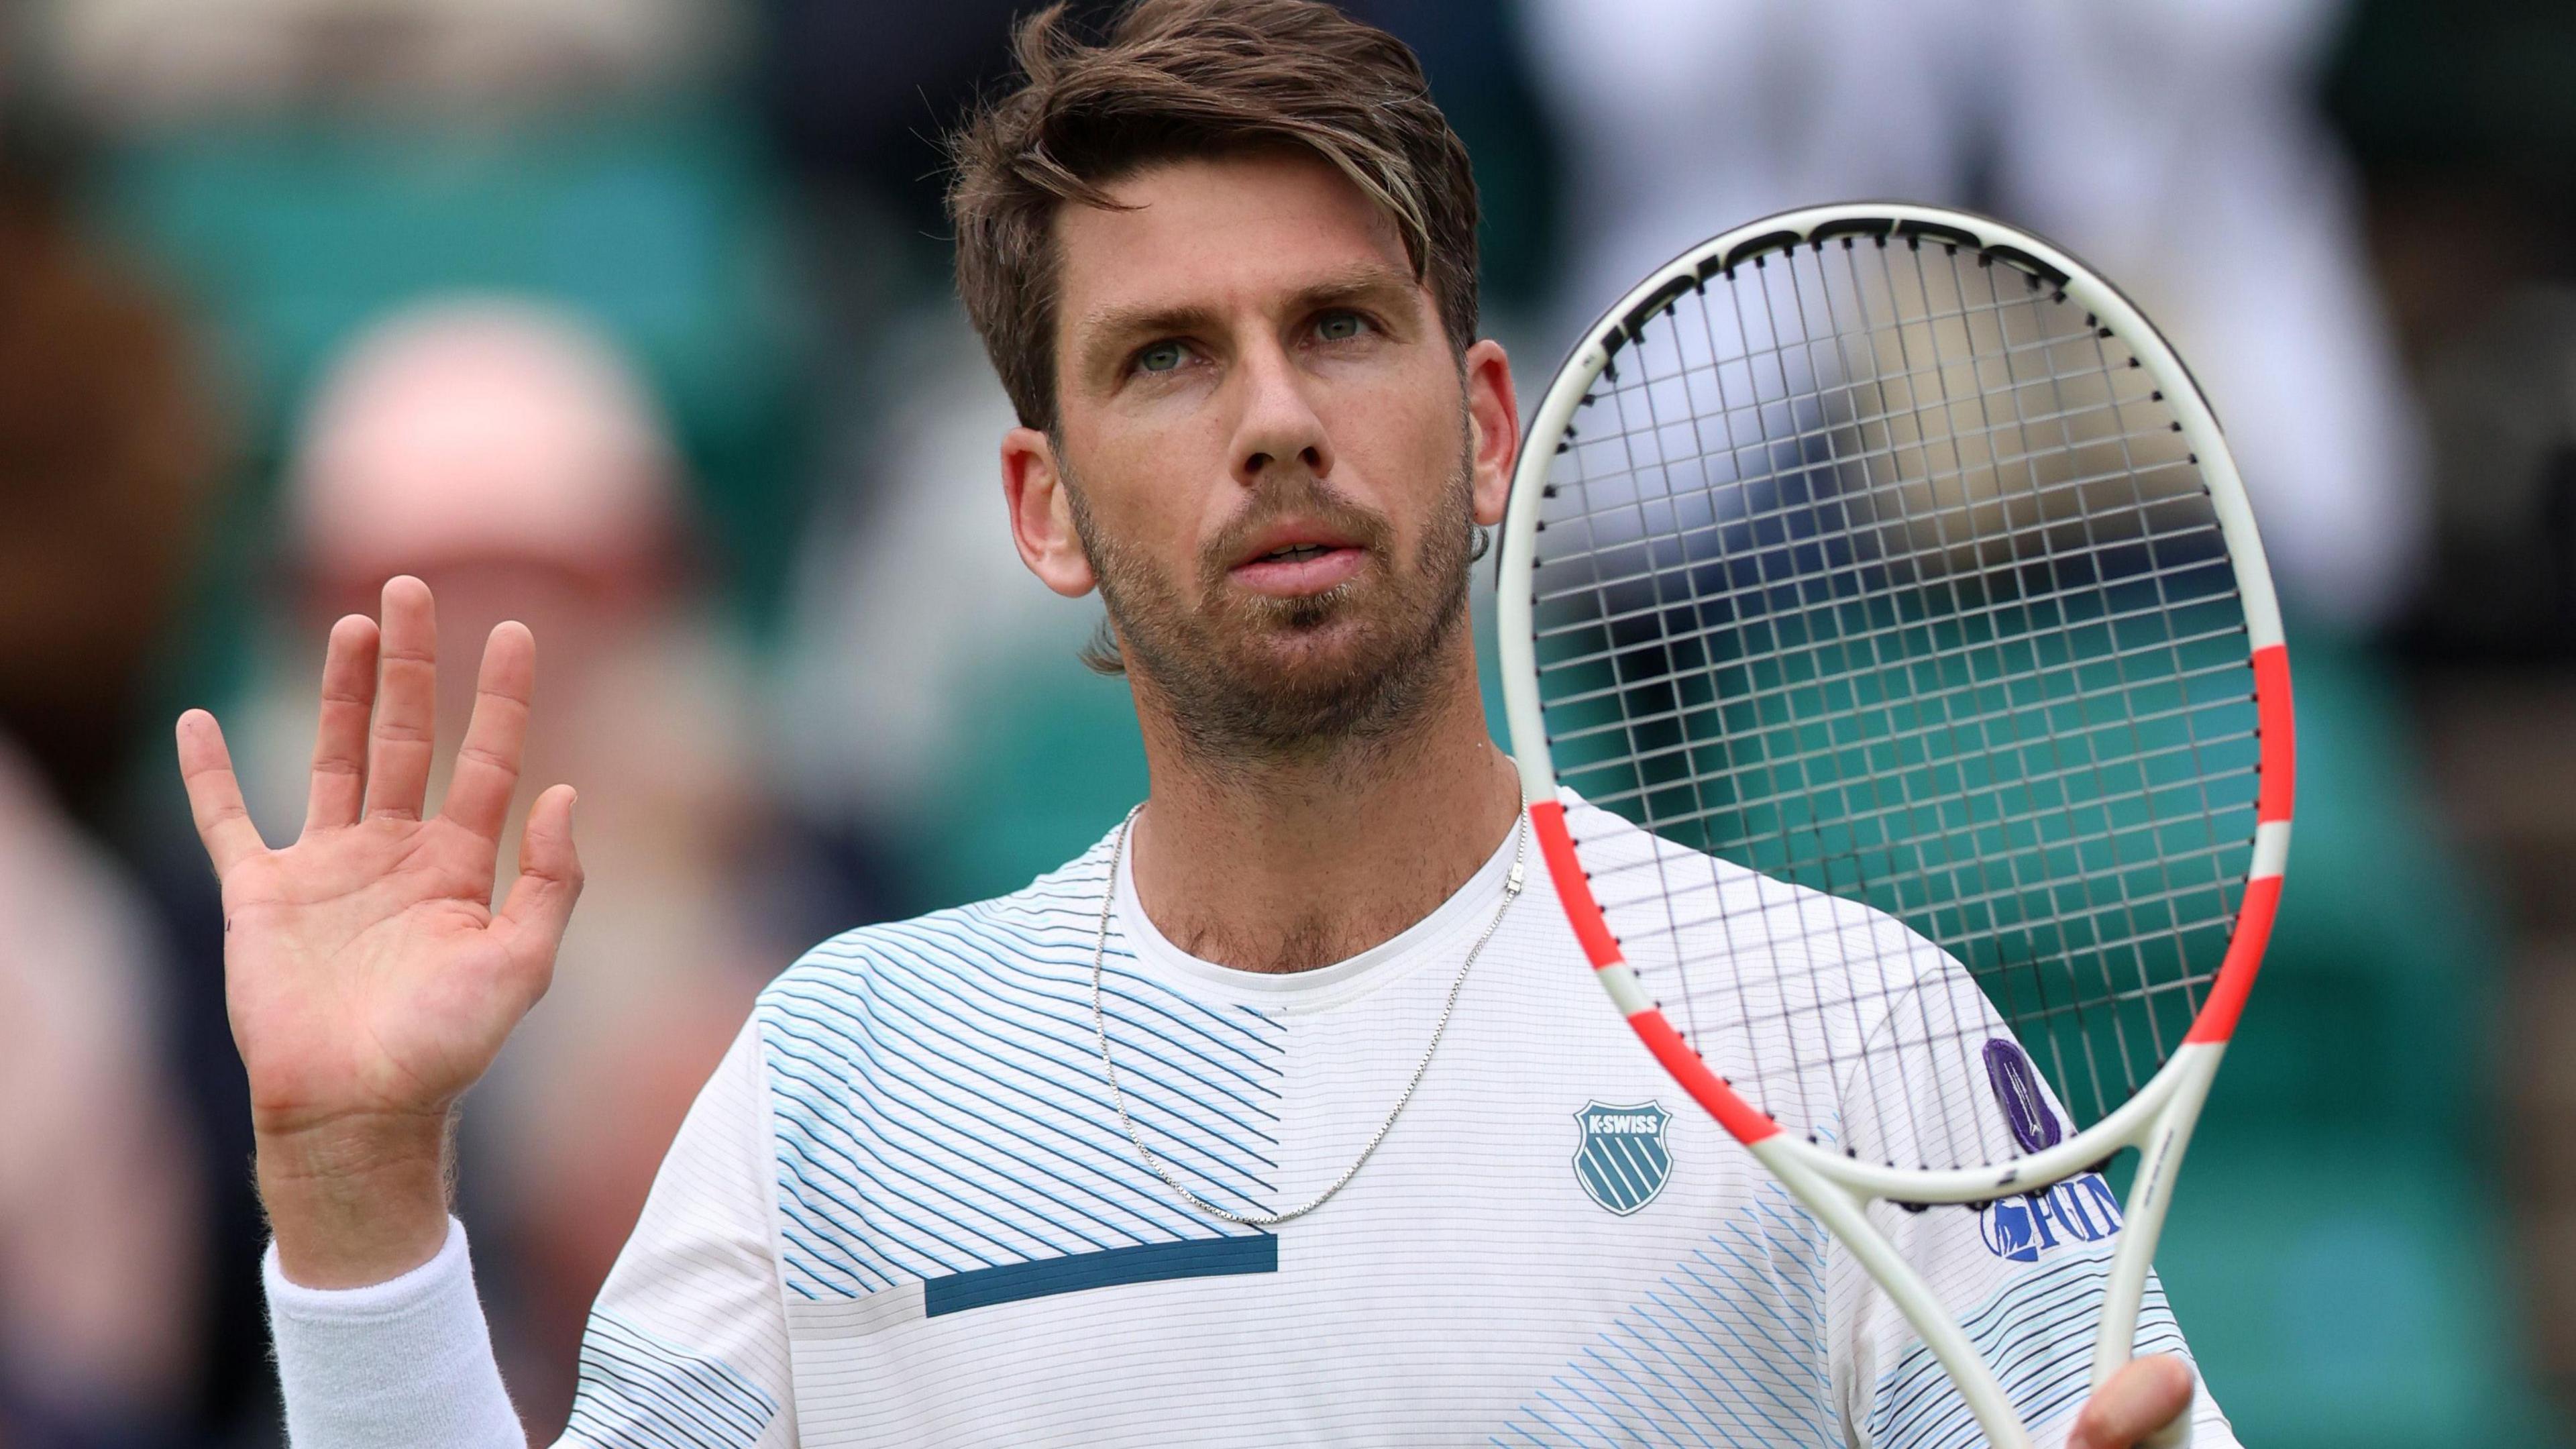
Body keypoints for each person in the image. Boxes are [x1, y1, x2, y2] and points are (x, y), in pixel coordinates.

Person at [174, 2, 2231, 1444]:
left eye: (1339, 326)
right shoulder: (839, 1086)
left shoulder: (1842, 1027)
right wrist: (355, 1188)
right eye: (1164, 359)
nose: (1273, 419)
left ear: (1489, 423)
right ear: (1040, 506)